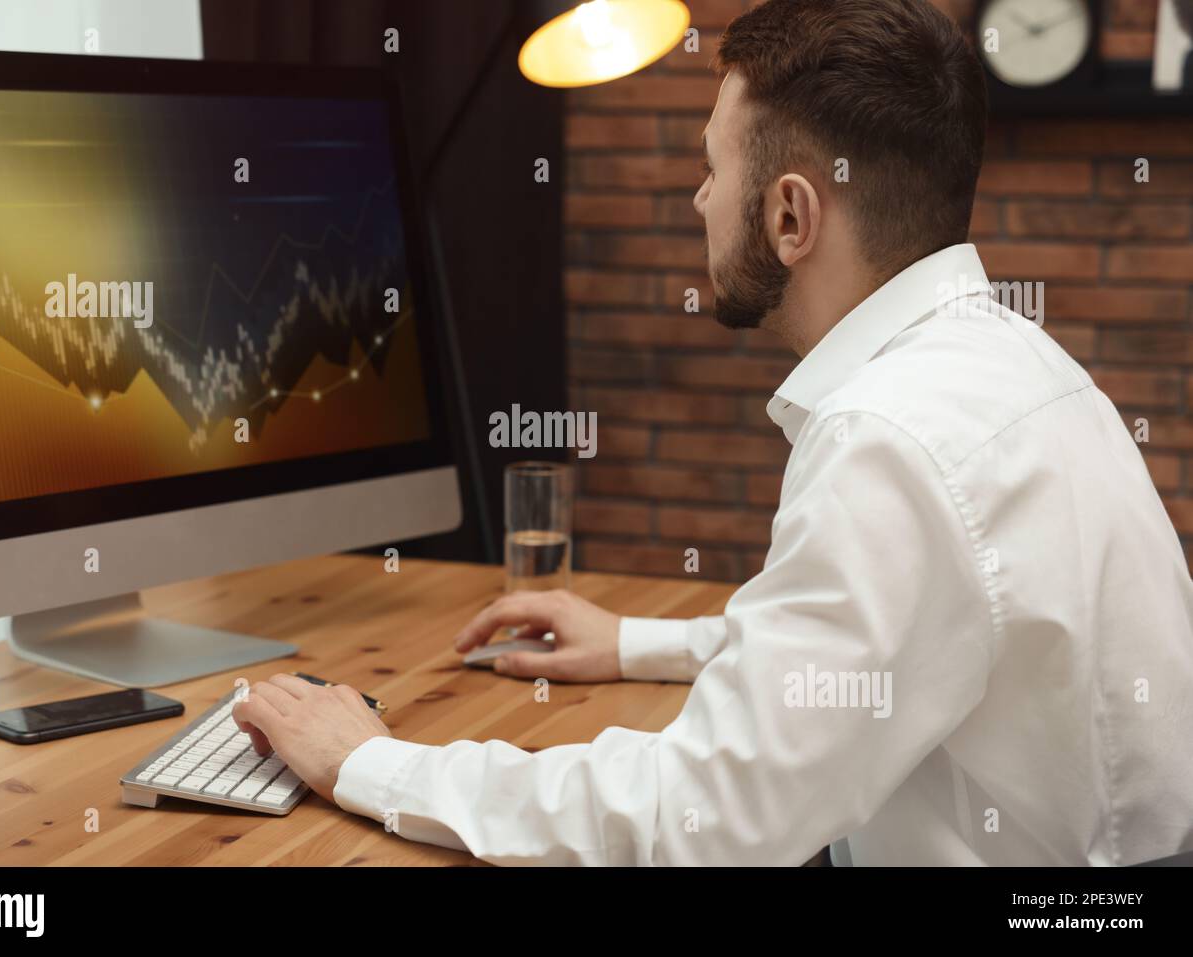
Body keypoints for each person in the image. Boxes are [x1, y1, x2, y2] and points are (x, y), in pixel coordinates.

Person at [233, 0, 1193, 865]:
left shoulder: (891, 440)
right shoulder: (1003, 361)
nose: (697, 198)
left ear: (789, 214)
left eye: (711, 166)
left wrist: (374, 762)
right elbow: (888, 645)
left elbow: (698, 821)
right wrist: (637, 642)